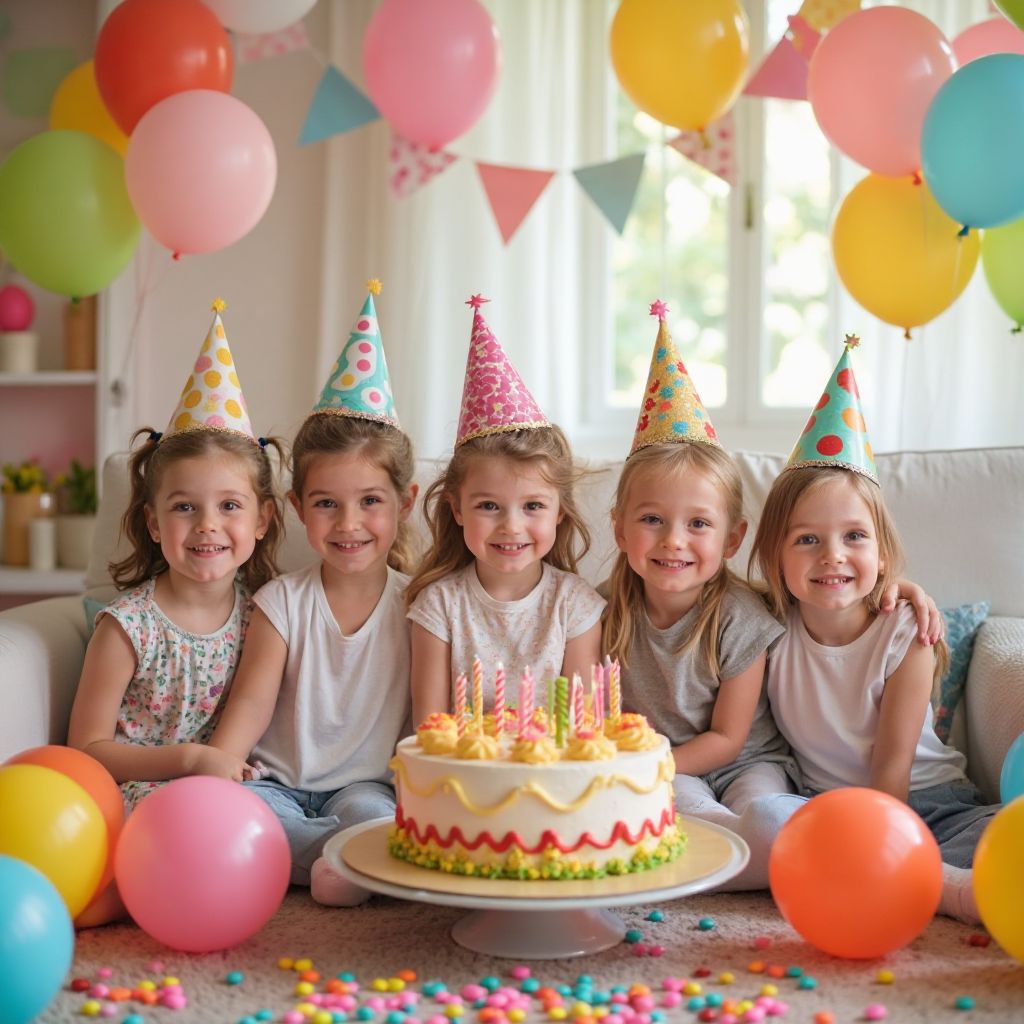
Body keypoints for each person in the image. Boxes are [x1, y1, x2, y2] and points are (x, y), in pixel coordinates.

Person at [750, 334, 996, 924]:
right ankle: (937, 886)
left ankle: (929, 880)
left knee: (995, 842)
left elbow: (891, 769)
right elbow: (700, 597)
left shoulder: (905, 633)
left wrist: (879, 849)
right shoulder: (765, 626)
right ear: (775, 555)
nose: (832, 555)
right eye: (807, 539)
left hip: (929, 802)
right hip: (826, 808)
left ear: (882, 554)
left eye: (854, 537)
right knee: (772, 832)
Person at [68, 301, 283, 924]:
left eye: (230, 506)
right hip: (139, 794)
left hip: (220, 797)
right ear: (154, 523)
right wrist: (188, 760)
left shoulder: (265, 618)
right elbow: (87, 748)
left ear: (263, 520)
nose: (207, 525)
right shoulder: (127, 627)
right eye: (185, 507)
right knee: (124, 881)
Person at [210, 281, 417, 907]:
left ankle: (332, 859)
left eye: (370, 501)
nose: (349, 524)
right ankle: (341, 865)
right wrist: (219, 768)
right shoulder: (282, 602)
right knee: (242, 818)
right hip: (275, 783)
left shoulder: (419, 604)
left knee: (378, 823)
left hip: (366, 787)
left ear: (405, 503)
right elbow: (251, 703)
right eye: (327, 504)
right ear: (298, 507)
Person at [406, 295, 604, 727]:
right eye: (489, 506)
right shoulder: (439, 606)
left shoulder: (574, 605)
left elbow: (581, 727)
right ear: (457, 509)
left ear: (560, 511)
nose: (511, 526)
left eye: (533, 506)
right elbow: (429, 730)